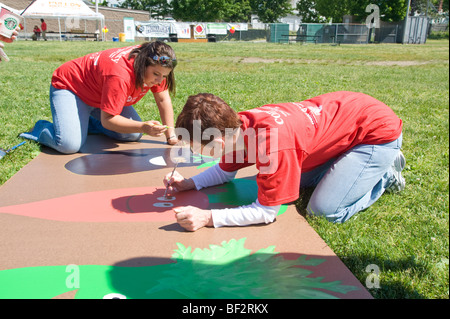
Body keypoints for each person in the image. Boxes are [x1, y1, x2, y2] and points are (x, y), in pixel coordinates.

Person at [164, 91, 405, 232]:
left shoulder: (273, 144)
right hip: (346, 123)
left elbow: (267, 211)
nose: (196, 153)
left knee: (323, 211)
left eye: (198, 147)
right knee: (291, 181)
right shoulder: (238, 127)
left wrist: (208, 218)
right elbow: (224, 173)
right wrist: (190, 183)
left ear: (219, 143)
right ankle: (347, 166)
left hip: (375, 133)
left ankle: (383, 175)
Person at [20, 41, 178, 154]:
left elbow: (163, 99)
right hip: (72, 88)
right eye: (156, 74)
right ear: (143, 64)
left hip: (101, 93)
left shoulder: (157, 64)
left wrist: (170, 134)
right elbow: (108, 119)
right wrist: (143, 127)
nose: (159, 80)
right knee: (68, 145)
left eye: (164, 76)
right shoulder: (120, 75)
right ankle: (40, 128)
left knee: (132, 134)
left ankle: (82, 122)